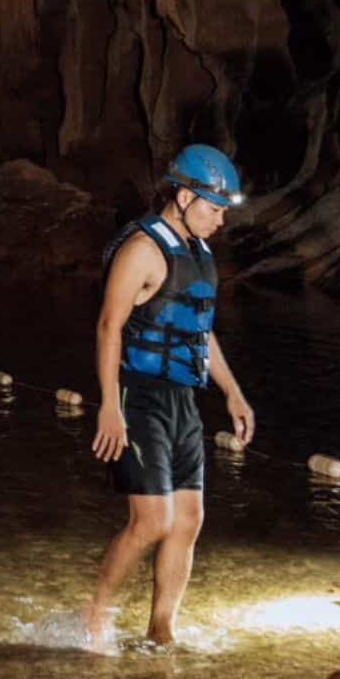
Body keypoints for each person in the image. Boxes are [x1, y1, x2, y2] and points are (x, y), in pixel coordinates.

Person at [84, 144, 255, 647]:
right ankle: (94, 614)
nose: (220, 220)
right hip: (139, 397)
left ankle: (162, 630)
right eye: (213, 208)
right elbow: (108, 327)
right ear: (183, 196)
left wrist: (233, 394)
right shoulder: (142, 248)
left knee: (188, 520)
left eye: (223, 211)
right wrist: (109, 406)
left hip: (184, 400)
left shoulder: (200, 255)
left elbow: (200, 332)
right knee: (151, 520)